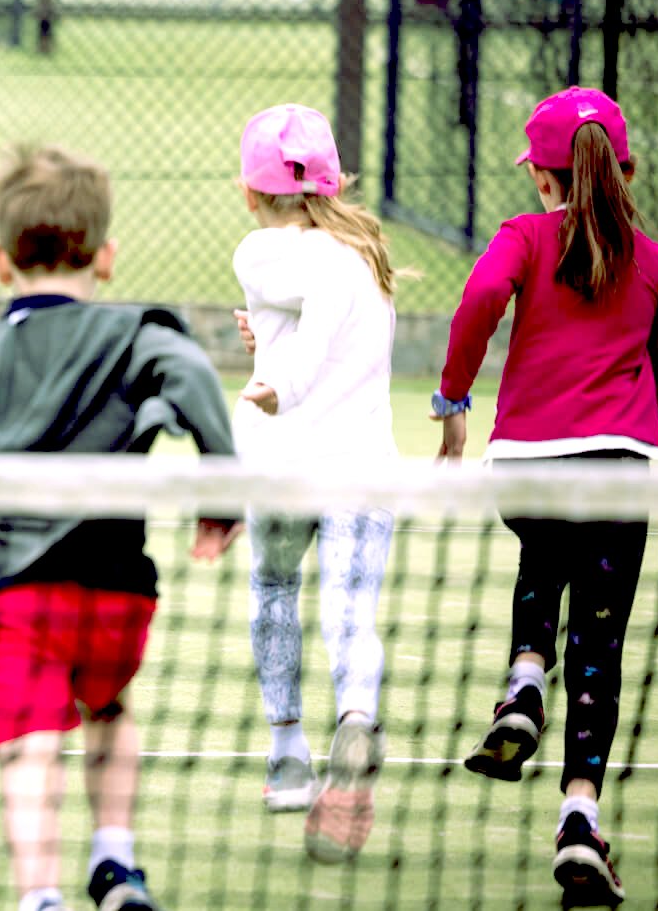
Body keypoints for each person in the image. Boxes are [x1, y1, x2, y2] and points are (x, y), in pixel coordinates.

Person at [0, 142, 243, 911]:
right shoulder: (134, 333)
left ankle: (40, 894)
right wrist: (220, 488)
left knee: (29, 747)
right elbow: (193, 374)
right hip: (115, 594)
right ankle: (115, 859)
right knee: (108, 709)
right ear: (104, 258)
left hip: (8, 597)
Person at [436, 86, 658, 906]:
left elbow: (475, 303)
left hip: (526, 465)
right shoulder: (655, 262)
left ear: (542, 178)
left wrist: (452, 398)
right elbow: (657, 358)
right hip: (616, 466)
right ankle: (578, 817)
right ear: (626, 169)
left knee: (544, 552)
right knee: (600, 650)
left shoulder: (524, 237)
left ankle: (523, 682)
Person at [229, 103, 401, 863]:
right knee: (351, 609)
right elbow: (322, 321)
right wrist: (268, 344)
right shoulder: (368, 254)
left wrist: (283, 380)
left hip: (284, 463)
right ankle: (356, 711)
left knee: (273, 590)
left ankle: (289, 752)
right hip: (364, 466)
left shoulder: (261, 253)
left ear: (250, 192)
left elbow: (314, 313)